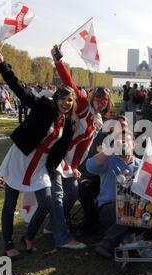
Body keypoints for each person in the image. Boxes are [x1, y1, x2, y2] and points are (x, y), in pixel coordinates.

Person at [0, 51, 79, 258]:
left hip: (40, 165)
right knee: (10, 203)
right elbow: (21, 92)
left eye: (69, 100)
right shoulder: (44, 106)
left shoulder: (68, 125)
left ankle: (29, 235)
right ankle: (8, 243)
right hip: (21, 158)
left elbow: (60, 151)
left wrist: (56, 169)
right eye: (62, 99)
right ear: (56, 98)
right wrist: (2, 66)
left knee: (48, 203)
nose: (65, 103)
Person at [41, 45, 113, 245]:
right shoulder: (82, 105)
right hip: (61, 156)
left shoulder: (98, 117)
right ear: (92, 97)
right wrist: (58, 61)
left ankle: (50, 224)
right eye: (98, 97)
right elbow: (69, 83)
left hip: (75, 162)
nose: (101, 101)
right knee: (68, 193)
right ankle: (55, 228)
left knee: (68, 194)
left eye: (105, 99)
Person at [87, 130, 142, 259]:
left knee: (140, 213)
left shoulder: (141, 163)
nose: (123, 144)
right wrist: (109, 150)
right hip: (109, 206)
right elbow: (90, 167)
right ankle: (106, 245)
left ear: (133, 144)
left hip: (137, 207)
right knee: (128, 211)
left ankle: (123, 238)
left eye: (126, 141)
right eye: (119, 141)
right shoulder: (108, 160)